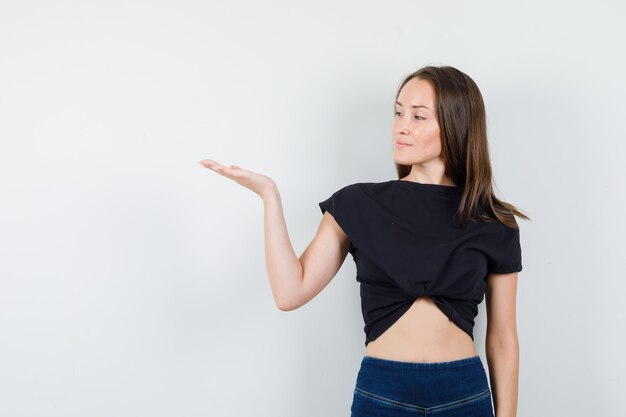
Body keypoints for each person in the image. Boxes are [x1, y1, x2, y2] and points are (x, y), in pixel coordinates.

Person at [199, 64, 528, 417]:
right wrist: (269, 195)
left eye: (418, 116)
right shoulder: (358, 204)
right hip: (383, 391)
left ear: (456, 125)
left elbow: (503, 338)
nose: (401, 126)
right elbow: (289, 292)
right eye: (399, 112)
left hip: (462, 394)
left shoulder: (493, 221)